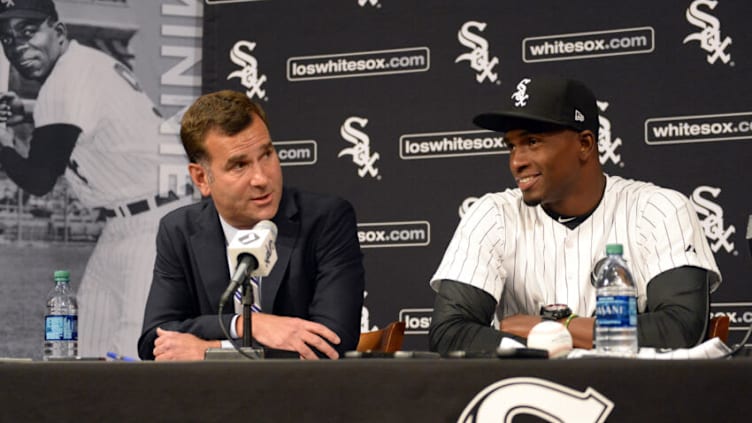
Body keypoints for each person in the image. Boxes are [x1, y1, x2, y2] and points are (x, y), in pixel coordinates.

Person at [429, 75, 721, 354]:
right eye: (511, 146)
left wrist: (553, 329)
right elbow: (450, 334)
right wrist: (580, 341)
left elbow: (680, 331)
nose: (516, 161)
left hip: (635, 397)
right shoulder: (493, 215)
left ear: (584, 144)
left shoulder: (659, 210)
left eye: (532, 142)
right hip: (527, 394)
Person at [0, 0, 188, 358]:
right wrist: (24, 110)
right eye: (8, 38)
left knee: (134, 353)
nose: (18, 45)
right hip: (128, 221)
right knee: (84, 344)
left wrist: (4, 146)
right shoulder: (83, 61)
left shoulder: (65, 83)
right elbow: (82, 119)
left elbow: (39, 179)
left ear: (58, 32)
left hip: (157, 225)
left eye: (28, 31)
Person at [137, 90, 365, 360]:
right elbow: (156, 339)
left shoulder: (326, 220)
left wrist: (210, 350)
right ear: (201, 179)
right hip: (210, 400)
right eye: (239, 165)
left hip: (300, 398)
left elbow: (330, 343)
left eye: (266, 154)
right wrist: (247, 324)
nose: (261, 178)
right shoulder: (179, 231)